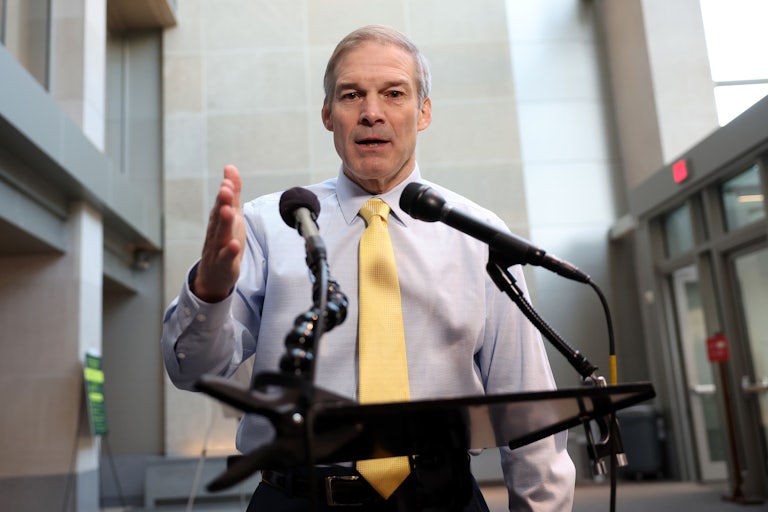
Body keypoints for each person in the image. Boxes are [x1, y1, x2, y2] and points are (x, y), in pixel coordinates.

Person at [162, 25, 575, 511]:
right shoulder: (269, 225)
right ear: (327, 114)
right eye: (351, 95)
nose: (371, 112)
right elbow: (189, 370)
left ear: (423, 111)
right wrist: (209, 293)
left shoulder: (478, 236)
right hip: (297, 497)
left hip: (442, 497)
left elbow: (527, 411)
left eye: (394, 93)